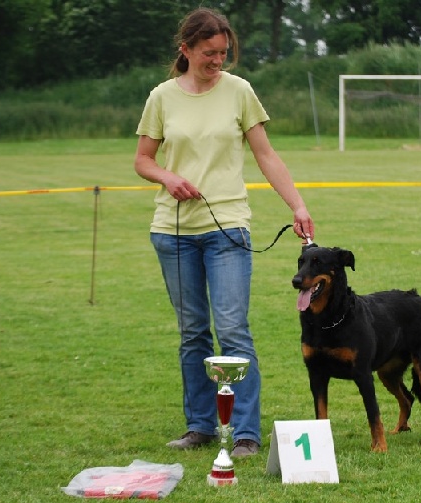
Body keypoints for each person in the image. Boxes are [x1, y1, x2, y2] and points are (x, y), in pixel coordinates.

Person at [134, 7, 315, 457]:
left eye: (224, 52)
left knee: (233, 329)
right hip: (172, 233)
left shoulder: (239, 92)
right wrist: (167, 178)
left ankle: (247, 434)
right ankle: (200, 427)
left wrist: (297, 204)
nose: (218, 60)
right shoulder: (161, 97)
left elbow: (266, 155)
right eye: (209, 53)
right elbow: (142, 160)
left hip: (228, 230)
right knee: (193, 332)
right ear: (186, 50)